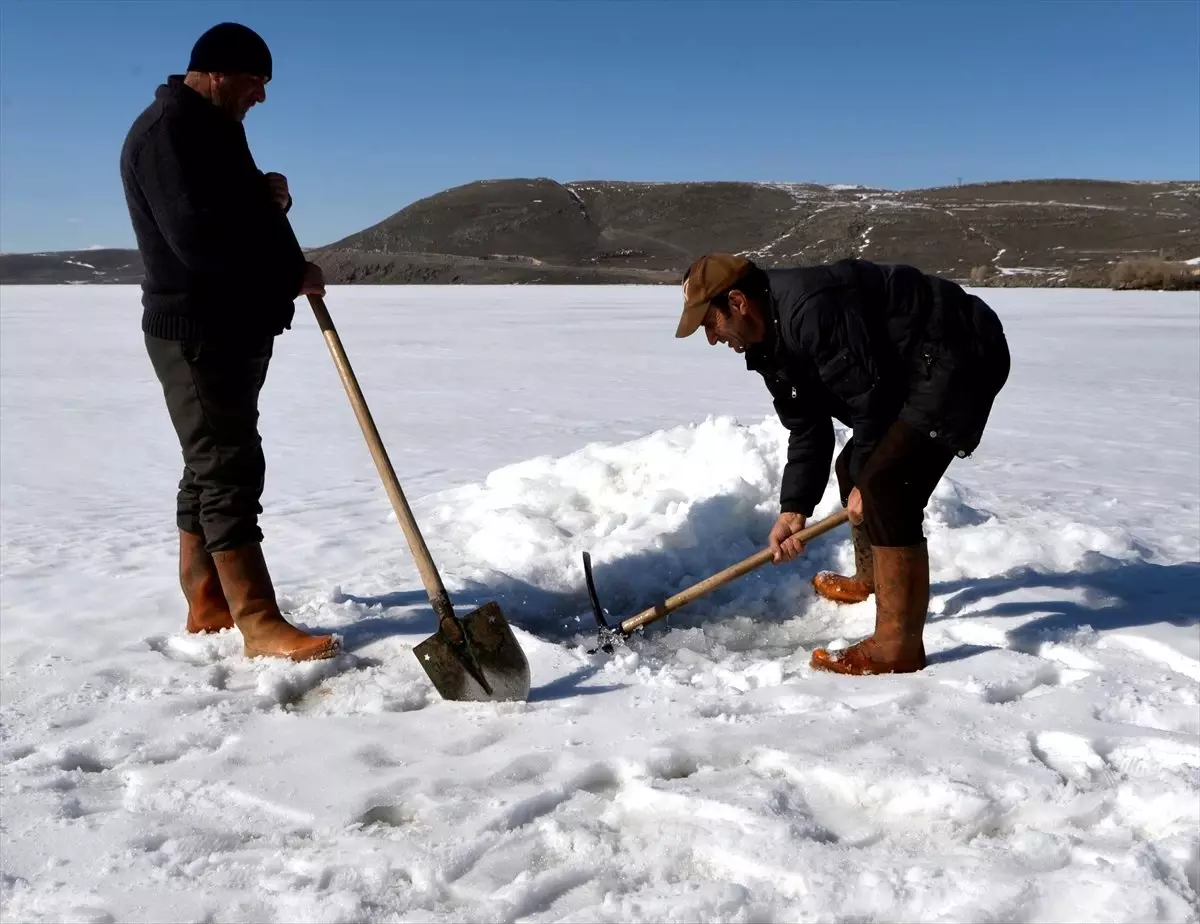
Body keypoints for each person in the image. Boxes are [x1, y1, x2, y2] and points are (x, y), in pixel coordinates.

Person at [674, 253, 1010, 675]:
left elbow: (874, 403)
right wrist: (793, 510)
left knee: (888, 487)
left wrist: (870, 483)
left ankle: (897, 646)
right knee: (854, 469)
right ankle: (871, 579)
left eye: (710, 324)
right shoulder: (767, 342)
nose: (711, 339)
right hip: (909, 370)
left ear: (738, 302)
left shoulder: (811, 310)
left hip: (959, 351)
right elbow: (806, 425)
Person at [120, 22, 337, 661]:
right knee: (228, 466)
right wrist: (279, 260)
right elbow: (201, 244)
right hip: (198, 331)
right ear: (216, 72)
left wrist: (270, 199)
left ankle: (208, 601)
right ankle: (258, 620)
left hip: (229, 327)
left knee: (210, 460)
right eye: (254, 82)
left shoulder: (213, 128)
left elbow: (230, 216)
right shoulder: (168, 136)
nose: (261, 98)